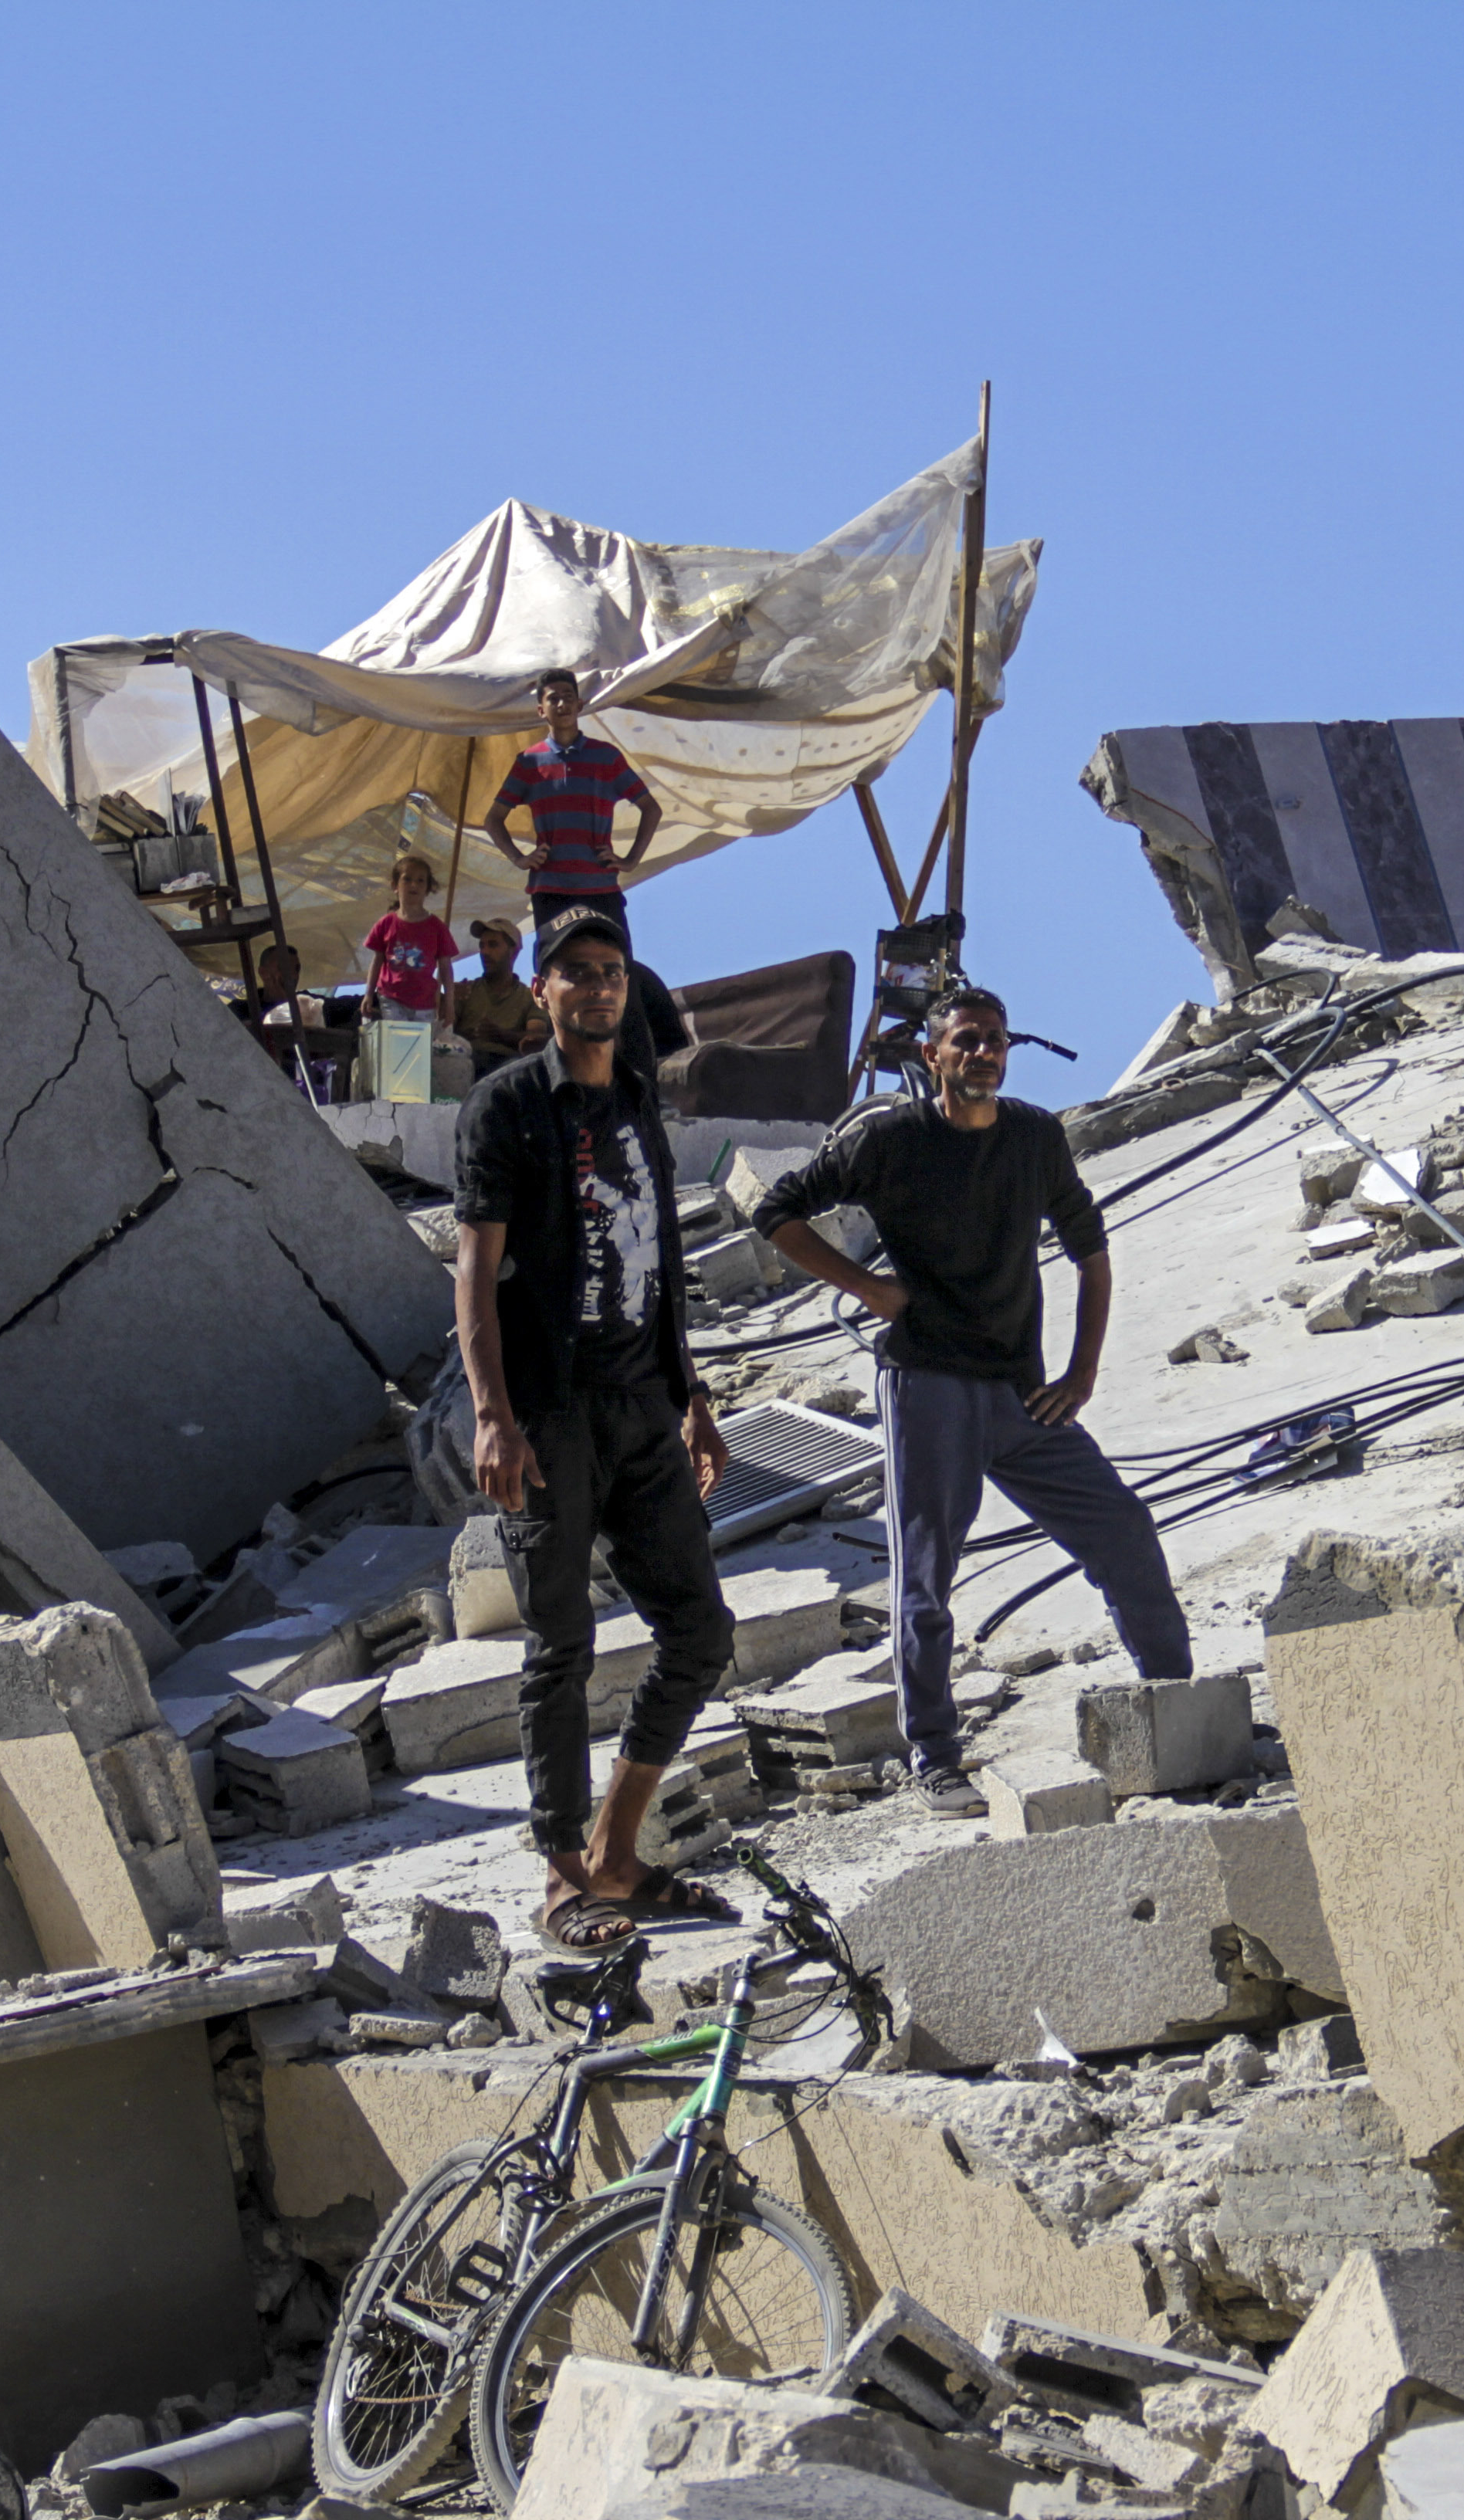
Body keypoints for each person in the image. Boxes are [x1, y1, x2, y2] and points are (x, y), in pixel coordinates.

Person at [754, 982, 1193, 1815]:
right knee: (927, 1580)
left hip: (1022, 1393)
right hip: (929, 1387)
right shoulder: (890, 1141)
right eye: (966, 1040)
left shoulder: (1033, 1136)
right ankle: (935, 1755)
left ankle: (1174, 1696)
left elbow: (1091, 1249)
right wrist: (867, 1288)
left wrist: (1082, 1373)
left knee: (1124, 1530)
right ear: (933, 1055)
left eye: (994, 1039)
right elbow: (776, 1212)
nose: (982, 1052)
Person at [452, 909, 738, 1951]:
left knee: (700, 1633)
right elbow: (476, 1271)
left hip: (643, 1408)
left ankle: (620, 1851)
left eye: (611, 972)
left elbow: (654, 1253)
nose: (597, 988)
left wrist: (691, 1394)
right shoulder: (505, 1109)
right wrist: (494, 1417)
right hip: (551, 1414)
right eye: (575, 973)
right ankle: (564, 1877)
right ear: (544, 993)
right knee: (561, 1644)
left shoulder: (633, 1098)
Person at [484, 669, 692, 1068]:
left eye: (568, 696)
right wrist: (519, 857)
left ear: (580, 705)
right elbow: (495, 818)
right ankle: (566, 1068)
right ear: (541, 709)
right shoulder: (529, 762)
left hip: (600, 887)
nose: (562, 704)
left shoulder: (605, 757)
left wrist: (630, 859)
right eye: (553, 698)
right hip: (551, 888)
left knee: (617, 978)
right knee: (556, 979)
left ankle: (635, 1073)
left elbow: (651, 807)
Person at [362, 855, 461, 1028]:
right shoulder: (385, 924)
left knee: (419, 1047)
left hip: (425, 1001)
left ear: (428, 888)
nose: (414, 885)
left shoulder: (437, 927)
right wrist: (368, 994)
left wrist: (449, 1003)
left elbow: (446, 967)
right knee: (398, 1040)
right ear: (395, 885)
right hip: (391, 996)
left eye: (420, 881)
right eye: (407, 879)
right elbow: (377, 960)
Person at [448, 913, 547, 1081]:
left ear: (513, 951)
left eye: (493, 945)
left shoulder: (530, 997)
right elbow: (444, 1033)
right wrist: (447, 999)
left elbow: (535, 1042)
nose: (484, 952)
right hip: (466, 1066)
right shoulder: (466, 990)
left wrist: (502, 1036)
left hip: (508, 1072)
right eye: (482, 946)